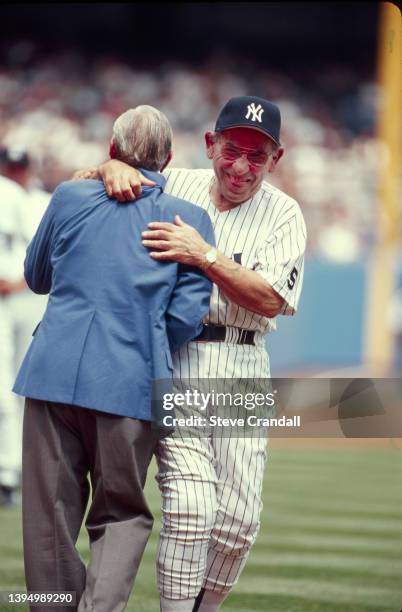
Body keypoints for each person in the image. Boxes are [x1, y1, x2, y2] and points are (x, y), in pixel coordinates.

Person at [76, 96, 307, 612]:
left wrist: (203, 254)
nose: (242, 166)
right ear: (210, 144)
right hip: (176, 359)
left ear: (276, 158)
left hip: (243, 364)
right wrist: (110, 164)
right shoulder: (171, 183)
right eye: (232, 149)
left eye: (257, 155)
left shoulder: (284, 212)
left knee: (239, 523)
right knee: (191, 507)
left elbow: (271, 298)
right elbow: (87, 186)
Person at [12, 105, 214, 612]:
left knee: (48, 517)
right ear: (167, 160)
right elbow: (186, 320)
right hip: (132, 382)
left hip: (52, 373)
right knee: (120, 513)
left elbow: (36, 278)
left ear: (110, 151)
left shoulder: (68, 195)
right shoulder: (189, 220)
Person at [0, 148, 49, 505]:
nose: (16, 171)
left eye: (21, 165)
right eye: (11, 166)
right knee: (5, 390)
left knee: (23, 388)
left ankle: (14, 472)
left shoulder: (43, 200)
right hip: (8, 300)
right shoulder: (9, 194)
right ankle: (8, 471)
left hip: (30, 297)